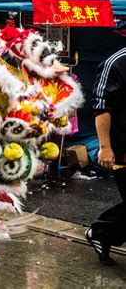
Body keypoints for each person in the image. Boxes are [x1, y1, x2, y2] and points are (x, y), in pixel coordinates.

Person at [86, 47, 126, 266]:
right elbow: (102, 107)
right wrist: (105, 147)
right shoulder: (116, 62)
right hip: (122, 148)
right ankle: (102, 230)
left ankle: (103, 231)